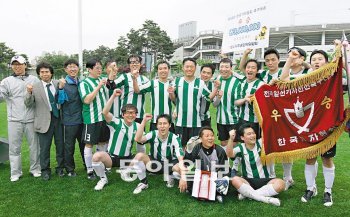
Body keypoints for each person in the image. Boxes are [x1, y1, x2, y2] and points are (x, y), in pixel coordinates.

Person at [300, 49, 336, 206]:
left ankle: (328, 191)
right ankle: (310, 188)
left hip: (328, 125)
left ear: (326, 62)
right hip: (310, 125)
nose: (316, 61)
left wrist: (341, 50)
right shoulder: (306, 80)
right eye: (313, 59)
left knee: (327, 158)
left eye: (320, 59)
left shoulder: (332, 79)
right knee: (310, 157)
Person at [121, 113, 186, 194]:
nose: (162, 126)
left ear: (169, 125)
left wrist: (183, 177)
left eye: (165, 123)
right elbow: (138, 139)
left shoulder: (174, 138)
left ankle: (171, 176)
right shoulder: (153, 134)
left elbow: (180, 158)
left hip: (169, 164)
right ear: (157, 125)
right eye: (160, 124)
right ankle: (143, 183)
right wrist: (144, 121)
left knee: (182, 170)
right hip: (155, 164)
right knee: (139, 156)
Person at [0, 55, 41, 182]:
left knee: (34, 146)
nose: (17, 66)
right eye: (14, 64)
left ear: (25, 65)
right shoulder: (6, 81)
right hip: (14, 120)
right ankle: (15, 172)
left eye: (19, 64)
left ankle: (35, 169)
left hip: (31, 119)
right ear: (12, 66)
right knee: (14, 148)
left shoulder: (34, 80)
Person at [227, 123, 285, 207]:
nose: (252, 136)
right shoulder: (241, 147)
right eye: (249, 134)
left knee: (281, 184)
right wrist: (231, 139)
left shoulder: (261, 143)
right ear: (242, 138)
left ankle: (248, 194)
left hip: (266, 180)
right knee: (235, 179)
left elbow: (268, 133)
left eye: (253, 133)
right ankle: (266, 199)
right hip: (248, 181)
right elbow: (230, 154)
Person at [91, 90, 139, 191]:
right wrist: (113, 96)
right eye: (128, 113)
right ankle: (103, 179)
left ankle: (126, 170)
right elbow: (105, 112)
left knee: (142, 158)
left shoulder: (138, 126)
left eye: (134, 113)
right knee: (96, 156)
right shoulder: (116, 122)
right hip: (112, 158)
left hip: (127, 159)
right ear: (123, 114)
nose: (131, 115)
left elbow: (143, 141)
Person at [25, 62, 64, 181]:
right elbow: (28, 104)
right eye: (42, 72)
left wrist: (62, 87)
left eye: (47, 71)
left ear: (51, 73)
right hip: (43, 121)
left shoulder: (58, 84)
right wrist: (29, 93)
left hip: (58, 119)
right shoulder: (34, 86)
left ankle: (60, 168)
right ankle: (45, 170)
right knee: (45, 148)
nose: (45, 74)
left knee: (60, 146)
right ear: (39, 74)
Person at [168, 58, 219, 147]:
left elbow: (209, 97)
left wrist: (216, 88)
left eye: (191, 67)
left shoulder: (200, 83)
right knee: (181, 147)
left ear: (195, 68)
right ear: (183, 68)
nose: (189, 69)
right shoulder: (177, 81)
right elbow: (173, 99)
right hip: (180, 122)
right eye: (187, 66)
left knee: (195, 147)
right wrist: (171, 93)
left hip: (196, 122)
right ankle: (183, 161)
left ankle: (194, 161)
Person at [278, 46, 309, 190]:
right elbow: (283, 79)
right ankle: (287, 177)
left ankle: (311, 184)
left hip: (307, 115)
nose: (291, 57)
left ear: (302, 59)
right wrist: (290, 60)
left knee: (310, 149)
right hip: (289, 115)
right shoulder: (286, 71)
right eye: (289, 55)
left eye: (295, 55)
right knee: (287, 147)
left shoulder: (309, 72)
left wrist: (305, 63)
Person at [107, 54, 151, 153]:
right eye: (131, 62)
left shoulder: (145, 79)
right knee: (124, 138)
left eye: (136, 62)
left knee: (140, 140)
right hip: (125, 114)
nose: (134, 64)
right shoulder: (124, 77)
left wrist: (134, 78)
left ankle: (141, 160)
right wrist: (113, 72)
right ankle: (124, 158)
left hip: (138, 114)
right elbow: (110, 85)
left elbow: (138, 91)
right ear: (129, 65)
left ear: (140, 64)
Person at [78, 59, 109, 180]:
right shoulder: (84, 83)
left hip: (103, 118)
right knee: (89, 144)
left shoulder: (102, 80)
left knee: (102, 142)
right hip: (91, 119)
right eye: (97, 68)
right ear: (89, 69)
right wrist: (98, 86)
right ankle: (90, 169)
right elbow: (87, 100)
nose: (99, 70)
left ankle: (100, 165)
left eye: (100, 68)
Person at [183, 126, 229, 203]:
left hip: (215, 176)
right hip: (202, 176)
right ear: (201, 139)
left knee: (225, 181)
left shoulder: (219, 150)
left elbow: (225, 169)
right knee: (188, 175)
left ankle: (217, 193)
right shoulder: (197, 148)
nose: (210, 138)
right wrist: (188, 150)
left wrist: (222, 180)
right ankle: (199, 191)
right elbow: (188, 163)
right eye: (207, 136)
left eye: (212, 135)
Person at [57, 59, 85, 177]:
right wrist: (61, 88)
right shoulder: (63, 83)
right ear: (66, 69)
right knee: (69, 146)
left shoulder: (82, 82)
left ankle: (88, 165)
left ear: (78, 68)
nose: (73, 69)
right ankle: (70, 169)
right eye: (70, 67)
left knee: (85, 144)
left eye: (75, 66)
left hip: (83, 119)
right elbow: (60, 101)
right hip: (70, 121)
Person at [213, 58, 241, 150]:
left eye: (226, 67)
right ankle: (226, 163)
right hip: (220, 120)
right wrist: (218, 97)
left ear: (231, 68)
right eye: (221, 67)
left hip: (234, 119)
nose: (223, 69)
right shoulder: (217, 80)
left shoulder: (237, 82)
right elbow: (214, 104)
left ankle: (235, 164)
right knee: (223, 143)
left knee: (234, 143)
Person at [139, 60, 175, 132]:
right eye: (160, 69)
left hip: (169, 121)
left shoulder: (173, 84)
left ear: (168, 70)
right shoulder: (152, 83)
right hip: (155, 121)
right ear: (157, 71)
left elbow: (176, 101)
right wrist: (134, 78)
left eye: (165, 68)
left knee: (170, 142)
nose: (163, 71)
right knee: (154, 142)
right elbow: (138, 90)